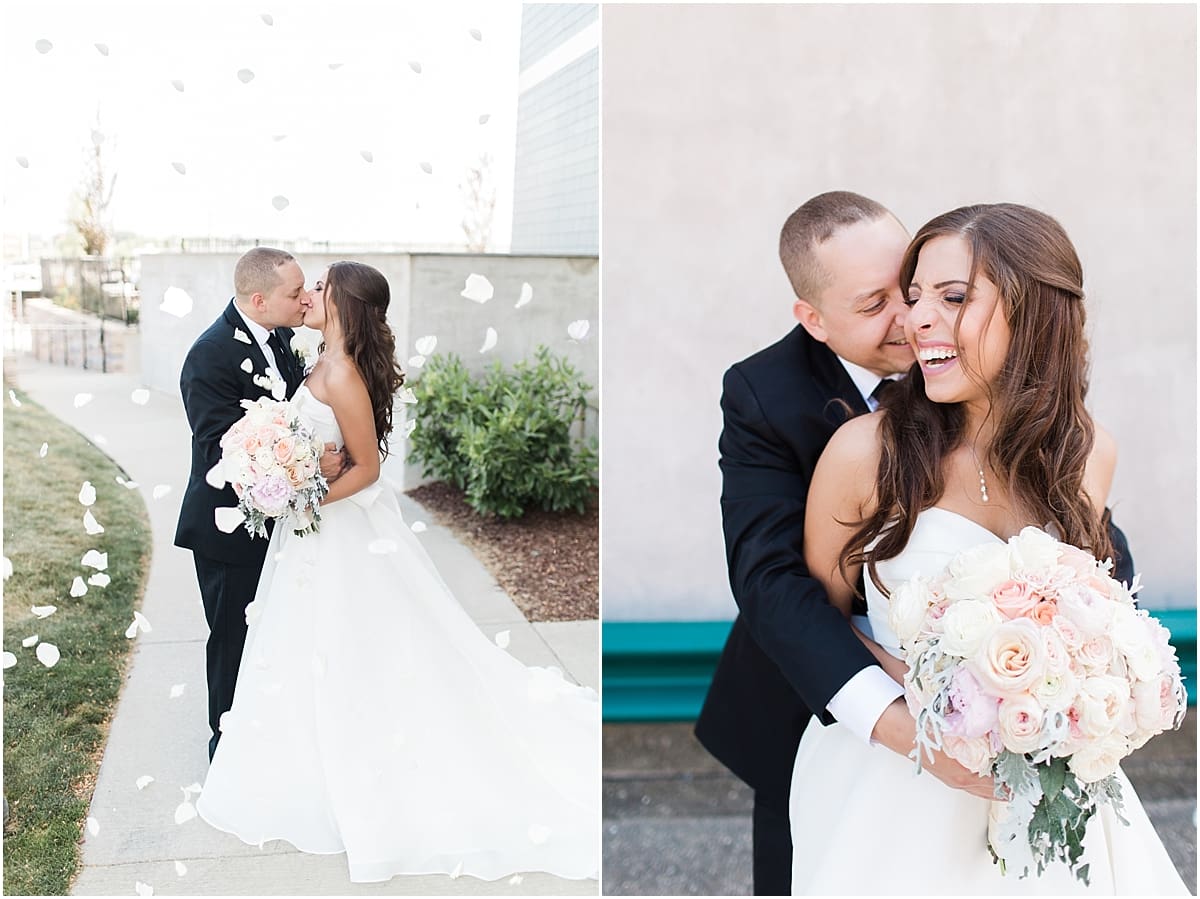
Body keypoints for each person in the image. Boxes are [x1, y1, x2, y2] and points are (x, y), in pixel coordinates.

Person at [693, 192, 1136, 895]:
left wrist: (1078, 650)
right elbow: (776, 586)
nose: (912, 316)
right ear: (816, 320)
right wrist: (912, 724)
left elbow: (1089, 546)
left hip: (1024, 736)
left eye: (920, 287)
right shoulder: (777, 400)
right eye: (879, 305)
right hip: (830, 702)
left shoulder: (1049, 411)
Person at [788, 203, 1186, 894]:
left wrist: (1089, 695)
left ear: (1034, 310)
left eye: (953, 297)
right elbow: (814, 618)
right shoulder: (864, 453)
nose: (917, 319)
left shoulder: (1088, 451)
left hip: (1051, 791)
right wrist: (941, 708)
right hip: (893, 782)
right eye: (915, 298)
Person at [195, 261, 599, 884]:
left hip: (339, 530)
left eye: (320, 287)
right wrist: (288, 471)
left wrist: (302, 496)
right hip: (311, 536)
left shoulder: (344, 372)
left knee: (355, 644)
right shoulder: (318, 357)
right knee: (305, 646)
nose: (309, 294)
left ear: (343, 306)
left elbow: (367, 468)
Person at [175, 247, 343, 761]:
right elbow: (221, 445)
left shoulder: (286, 339)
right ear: (258, 299)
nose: (303, 300)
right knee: (233, 638)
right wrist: (311, 461)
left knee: (277, 633)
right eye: (295, 294)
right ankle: (227, 748)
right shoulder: (209, 356)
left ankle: (272, 731)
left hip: (283, 520)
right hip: (229, 529)